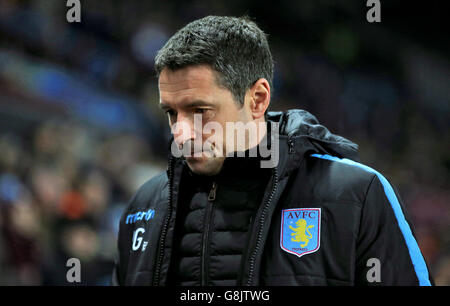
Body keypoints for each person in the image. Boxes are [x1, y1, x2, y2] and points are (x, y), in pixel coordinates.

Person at [112, 15, 433, 286]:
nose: (180, 133)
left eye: (199, 110)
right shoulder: (145, 205)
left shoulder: (357, 195)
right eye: (171, 113)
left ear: (257, 99)